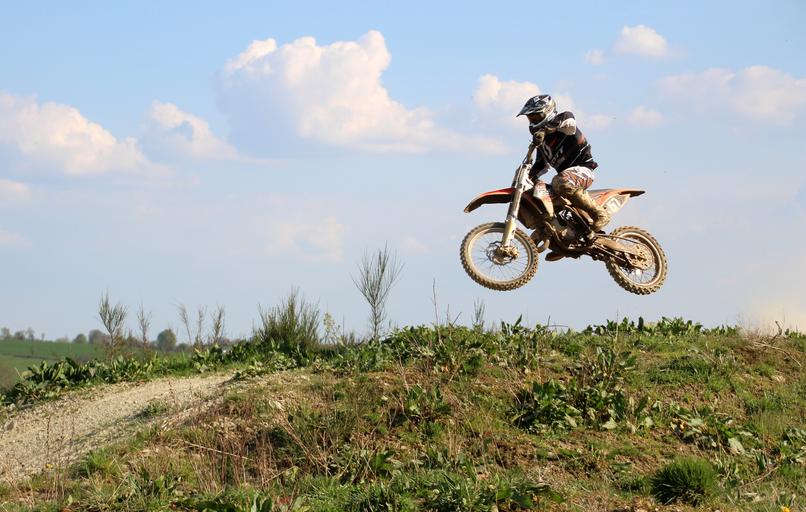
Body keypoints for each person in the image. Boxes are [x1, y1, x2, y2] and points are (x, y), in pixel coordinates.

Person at [517, 95, 610, 260]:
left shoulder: (563, 122)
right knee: (539, 196)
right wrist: (527, 177)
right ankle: (563, 239)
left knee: (559, 182)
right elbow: (541, 165)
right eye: (530, 118)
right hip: (565, 179)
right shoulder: (543, 142)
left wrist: (545, 130)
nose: (533, 120)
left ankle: (600, 214)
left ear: (547, 112)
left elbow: (569, 119)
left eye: (536, 116)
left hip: (584, 170)